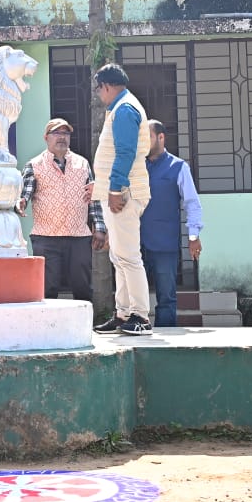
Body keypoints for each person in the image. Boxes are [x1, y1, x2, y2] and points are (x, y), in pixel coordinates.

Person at [90, 63, 153, 336]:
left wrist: (115, 190)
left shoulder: (125, 109)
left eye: (98, 89)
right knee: (119, 257)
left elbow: (125, 153)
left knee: (128, 256)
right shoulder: (121, 107)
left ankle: (141, 316)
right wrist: (100, 186)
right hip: (118, 192)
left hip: (124, 194)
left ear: (105, 86)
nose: (99, 94)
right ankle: (123, 313)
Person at [17, 118, 107, 301]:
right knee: (47, 288)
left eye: (65, 133)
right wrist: (21, 202)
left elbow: (93, 197)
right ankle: (46, 321)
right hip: (46, 237)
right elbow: (25, 192)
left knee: (82, 287)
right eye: (56, 133)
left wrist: (99, 227)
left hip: (79, 236)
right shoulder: (34, 165)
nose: (62, 137)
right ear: (46, 137)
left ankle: (85, 320)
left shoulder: (82, 164)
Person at [139, 121, 204, 328]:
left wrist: (193, 236)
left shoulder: (178, 167)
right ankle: (136, 332)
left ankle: (166, 336)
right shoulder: (136, 166)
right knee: (133, 296)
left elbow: (192, 203)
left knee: (166, 297)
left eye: (147, 136)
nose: (143, 141)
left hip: (165, 243)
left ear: (161, 137)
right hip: (135, 243)